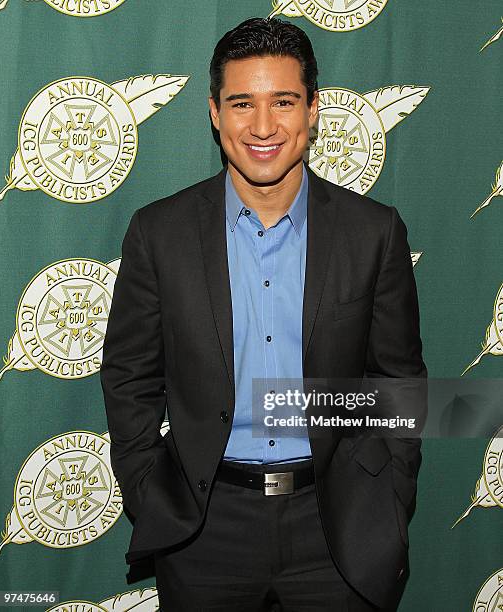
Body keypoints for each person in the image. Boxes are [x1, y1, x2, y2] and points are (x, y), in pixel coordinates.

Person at [100, 17, 427, 612]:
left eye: (284, 102)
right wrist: (149, 492)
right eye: (241, 103)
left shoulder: (374, 232)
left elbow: (397, 383)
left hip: (337, 525)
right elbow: (130, 379)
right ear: (214, 113)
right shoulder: (158, 233)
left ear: (313, 111)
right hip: (203, 529)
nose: (263, 126)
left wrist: (389, 494)